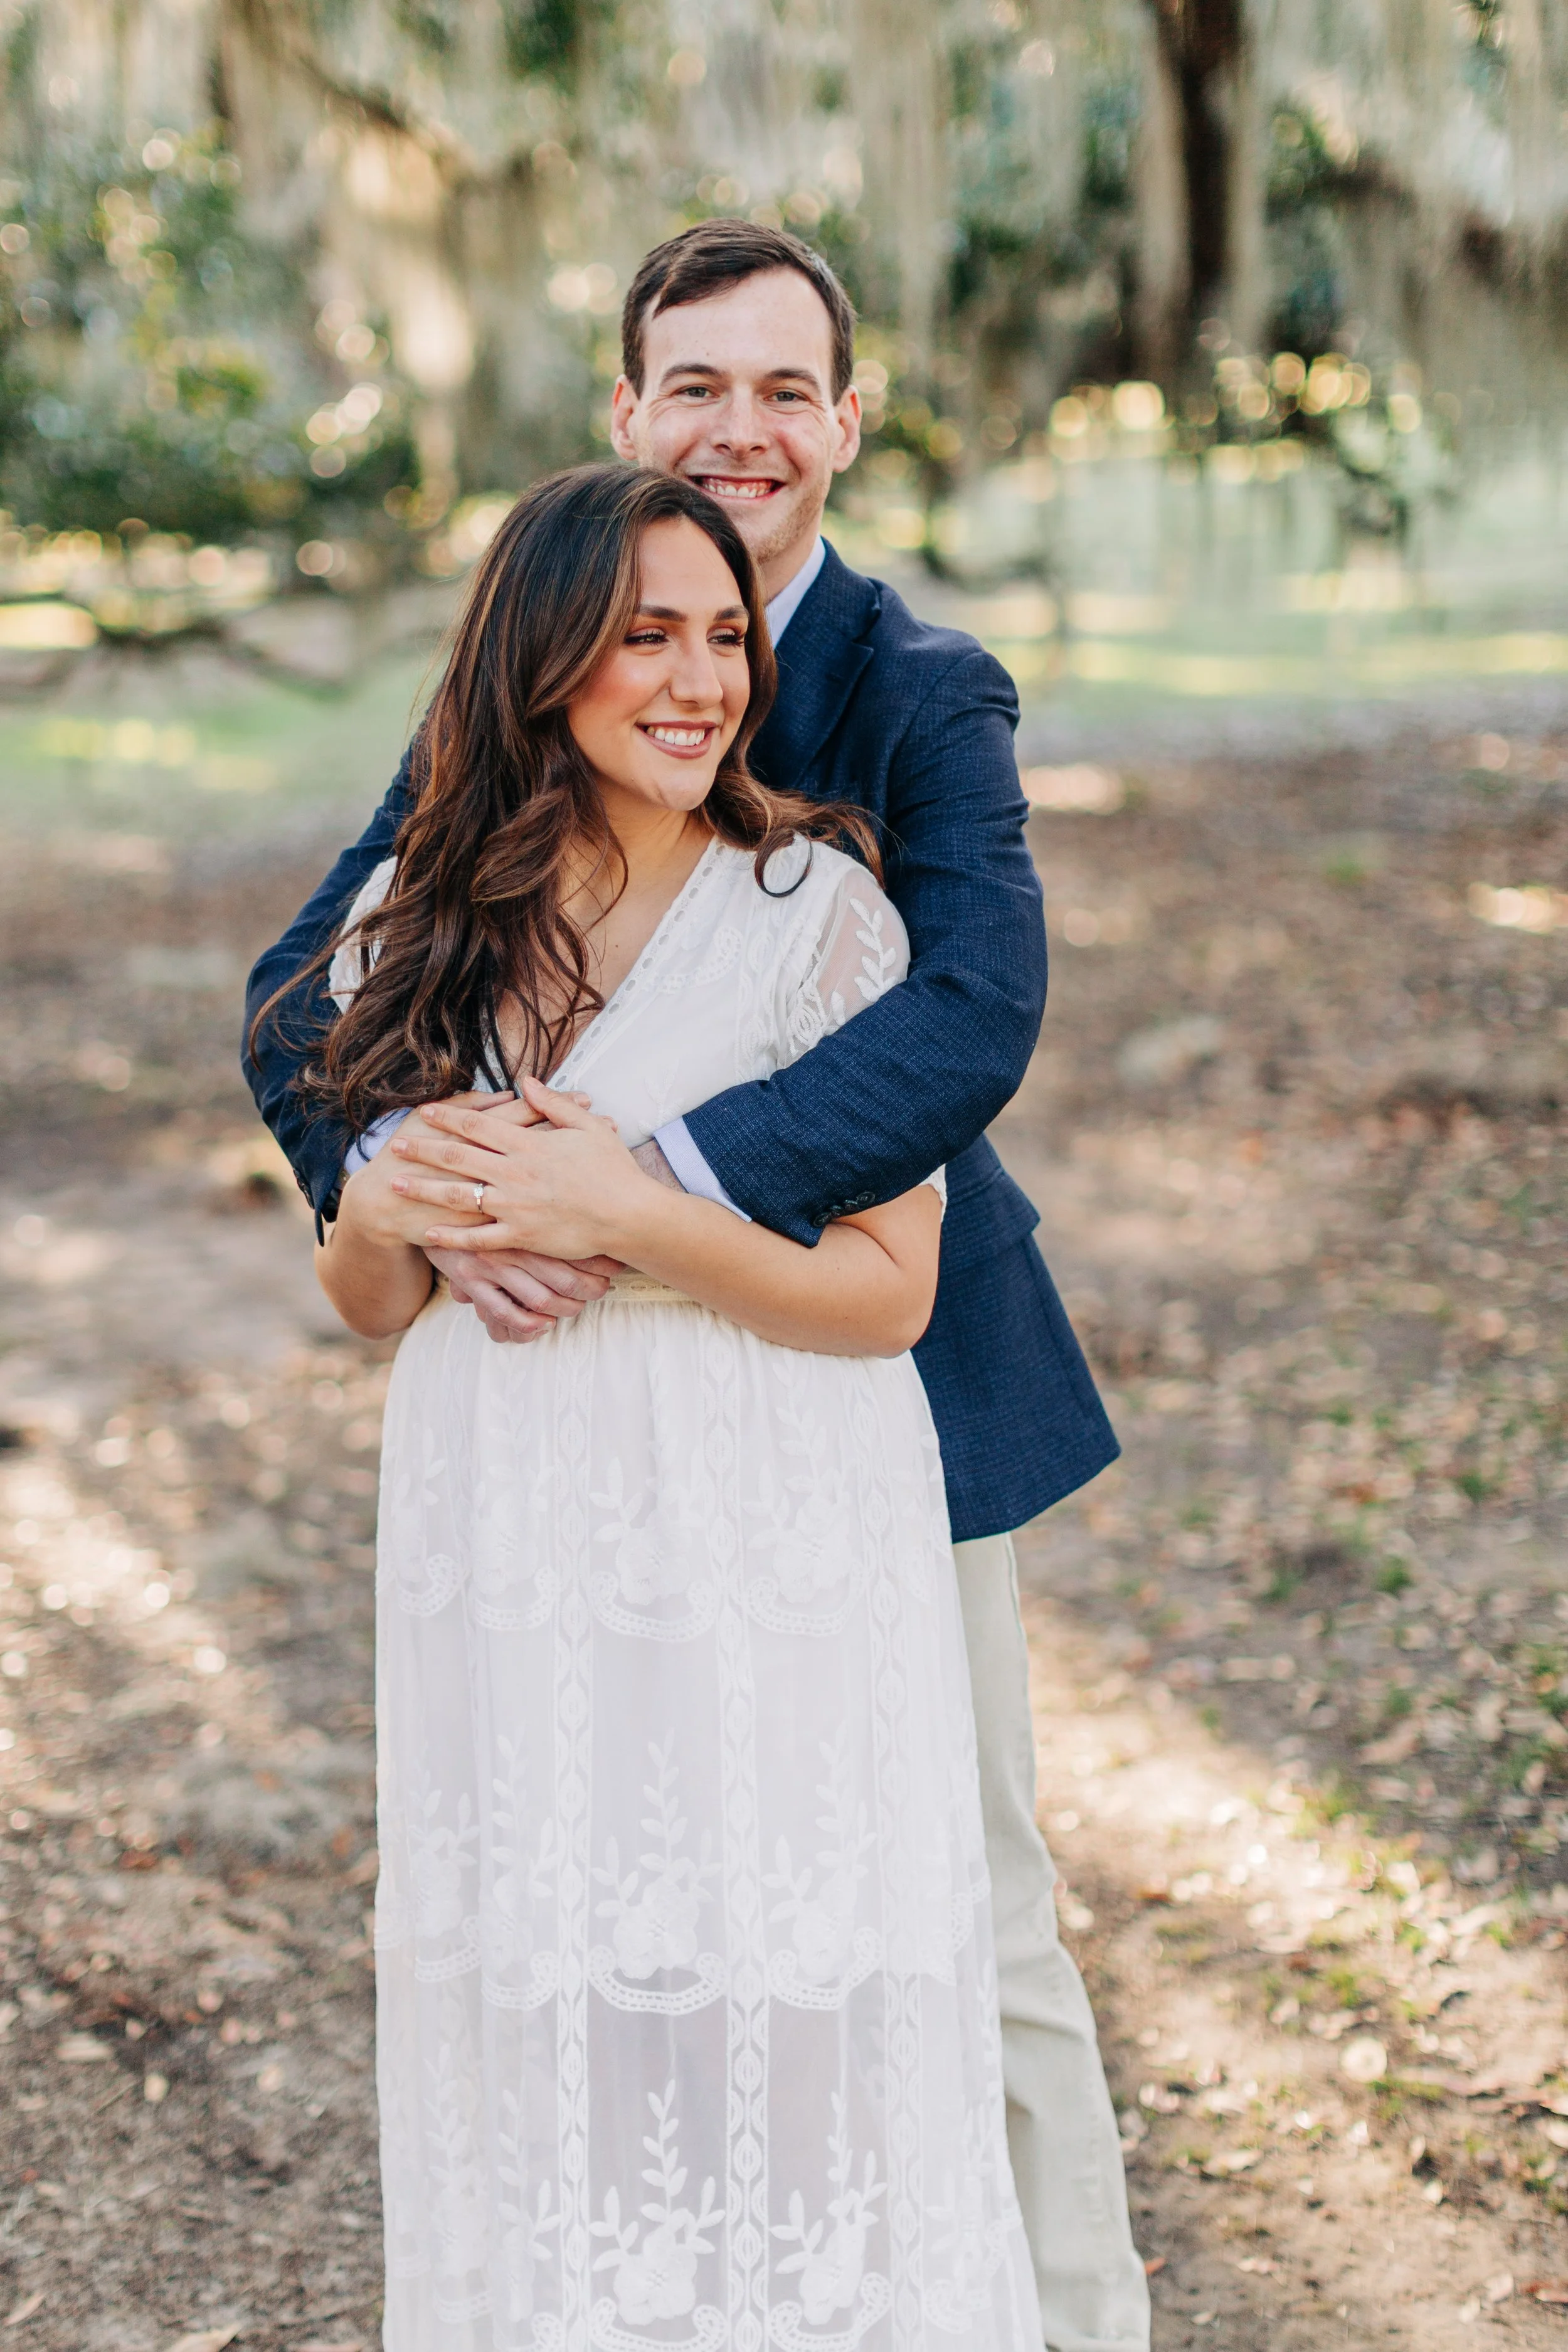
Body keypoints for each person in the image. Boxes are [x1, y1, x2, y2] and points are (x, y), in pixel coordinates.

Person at [245, 222, 1150, 2352]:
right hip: (565, 1428)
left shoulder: (921, 694)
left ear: (842, 424)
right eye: (693, 387)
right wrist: (423, 1183)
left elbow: (963, 1032)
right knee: (620, 1881)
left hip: (866, 1375)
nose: (737, 428)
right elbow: (317, 993)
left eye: (781, 390)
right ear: (626, 411)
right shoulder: (556, 625)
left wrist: (622, 1188)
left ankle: (1062, 2317)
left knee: (951, 1897)